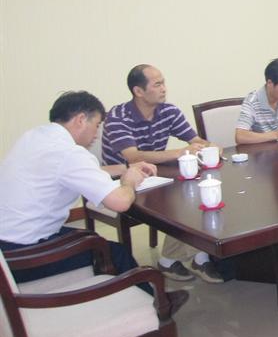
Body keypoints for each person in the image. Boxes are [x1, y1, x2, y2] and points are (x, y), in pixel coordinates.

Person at [0, 92, 174, 300]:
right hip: (20, 257)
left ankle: (121, 296)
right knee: (114, 252)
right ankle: (157, 304)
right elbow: (120, 202)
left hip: (8, 242)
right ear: (81, 119)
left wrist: (126, 168)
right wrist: (128, 181)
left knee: (91, 238)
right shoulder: (69, 153)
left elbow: (75, 172)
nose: (97, 134)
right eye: (97, 125)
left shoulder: (35, 137)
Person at [103, 64, 224, 283]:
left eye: (163, 82)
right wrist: (179, 152)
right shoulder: (118, 116)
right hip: (121, 182)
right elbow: (132, 157)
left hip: (154, 176)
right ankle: (192, 257)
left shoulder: (168, 111)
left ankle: (181, 258)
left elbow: (195, 140)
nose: (164, 88)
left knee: (195, 191)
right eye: (157, 84)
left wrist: (210, 146)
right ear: (138, 91)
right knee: (183, 201)